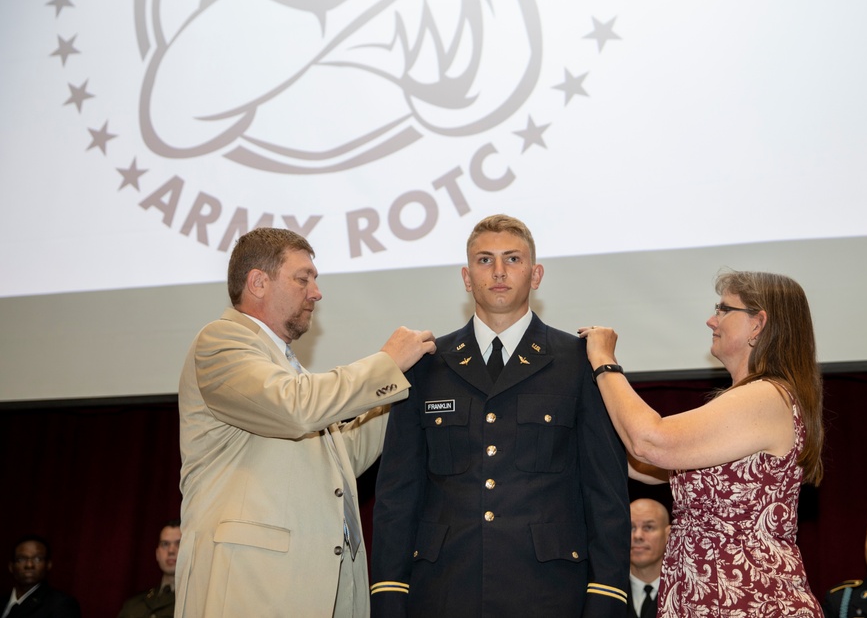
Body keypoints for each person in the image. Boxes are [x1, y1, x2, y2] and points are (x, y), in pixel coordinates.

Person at [371, 214, 630, 617]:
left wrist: (606, 595)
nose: (498, 272)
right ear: (466, 276)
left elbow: (605, 493)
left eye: (512, 259)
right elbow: (397, 494)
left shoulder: (577, 363)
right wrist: (389, 594)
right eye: (484, 260)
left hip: (549, 591)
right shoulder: (426, 365)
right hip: (444, 590)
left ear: (536, 273)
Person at [176, 227, 436, 618]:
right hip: (251, 588)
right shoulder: (221, 342)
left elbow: (342, 454)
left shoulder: (284, 365)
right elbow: (296, 408)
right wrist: (386, 363)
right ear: (258, 282)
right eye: (303, 279)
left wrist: (409, 385)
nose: (316, 292)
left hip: (309, 588)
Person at [579, 270, 825, 617]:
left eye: (724, 309)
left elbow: (651, 441)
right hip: (711, 599)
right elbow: (647, 466)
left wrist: (604, 362)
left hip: (749, 602)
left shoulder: (766, 396)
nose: (712, 320)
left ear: (758, 324)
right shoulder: (752, 398)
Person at [3, 535, 80, 618]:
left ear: (48, 565)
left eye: (38, 559)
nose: (29, 565)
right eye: (21, 559)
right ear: (11, 566)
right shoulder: (3, 601)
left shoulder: (62, 604)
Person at [117, 520, 181, 618]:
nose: (171, 550)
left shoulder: (197, 603)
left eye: (179, 543)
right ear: (157, 554)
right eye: (165, 544)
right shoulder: (134, 605)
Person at [627, 499, 671, 618]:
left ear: (668, 535)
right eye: (630, 527)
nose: (638, 536)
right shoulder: (608, 591)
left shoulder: (688, 593)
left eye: (648, 527)